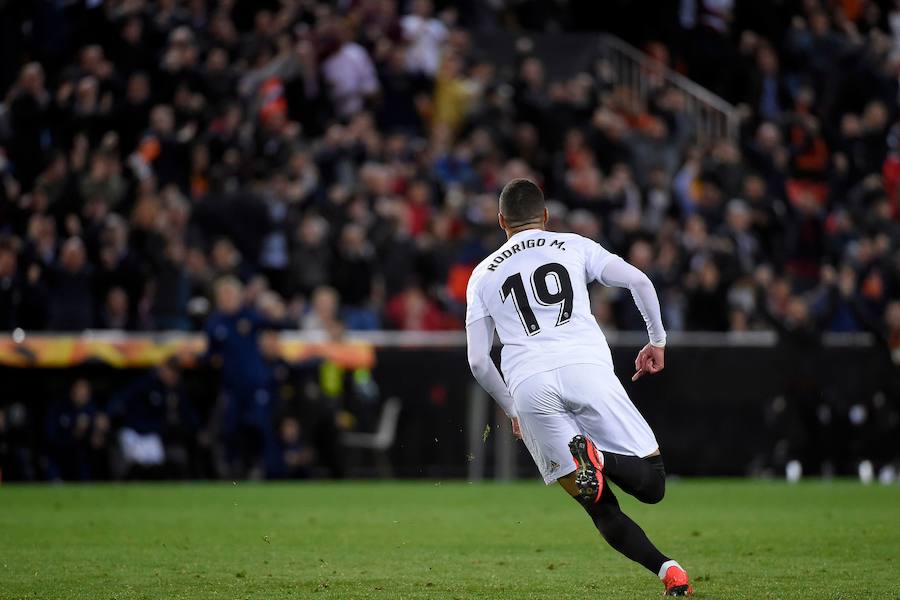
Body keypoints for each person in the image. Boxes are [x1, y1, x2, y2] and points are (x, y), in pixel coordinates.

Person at [465, 179, 693, 596]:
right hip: (586, 369)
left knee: (598, 504)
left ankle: (668, 570)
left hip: (529, 384)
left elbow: (478, 360)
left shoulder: (482, 274)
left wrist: (513, 409)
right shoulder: (574, 245)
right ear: (546, 216)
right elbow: (640, 281)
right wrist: (657, 340)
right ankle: (600, 457)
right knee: (654, 484)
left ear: (501, 222)